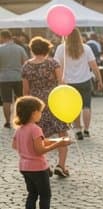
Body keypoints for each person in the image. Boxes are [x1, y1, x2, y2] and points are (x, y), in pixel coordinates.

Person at [12, 95, 70, 209]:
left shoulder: (20, 129)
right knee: (45, 195)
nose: (41, 114)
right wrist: (58, 144)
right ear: (33, 113)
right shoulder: (35, 128)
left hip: (24, 167)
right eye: (40, 111)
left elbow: (15, 145)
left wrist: (56, 140)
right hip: (38, 167)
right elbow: (40, 150)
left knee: (31, 194)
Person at [21, 37, 70, 178]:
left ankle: (44, 166)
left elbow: (25, 90)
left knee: (39, 137)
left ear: (32, 49)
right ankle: (61, 165)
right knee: (62, 134)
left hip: (36, 105)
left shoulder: (26, 66)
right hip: (54, 101)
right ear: (47, 49)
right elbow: (61, 84)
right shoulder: (53, 63)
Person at [54, 28, 102, 140]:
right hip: (85, 80)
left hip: (69, 82)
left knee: (74, 108)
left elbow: (57, 66)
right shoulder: (86, 48)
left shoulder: (61, 48)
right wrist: (99, 80)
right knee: (86, 106)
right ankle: (86, 129)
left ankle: (78, 130)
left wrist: (59, 81)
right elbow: (94, 66)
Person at [1, 28, 29, 128]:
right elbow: (25, 62)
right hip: (18, 77)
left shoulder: (0, 48)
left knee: (6, 101)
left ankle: (8, 122)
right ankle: (22, 119)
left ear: (3, 37)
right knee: (20, 99)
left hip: (4, 78)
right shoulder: (20, 48)